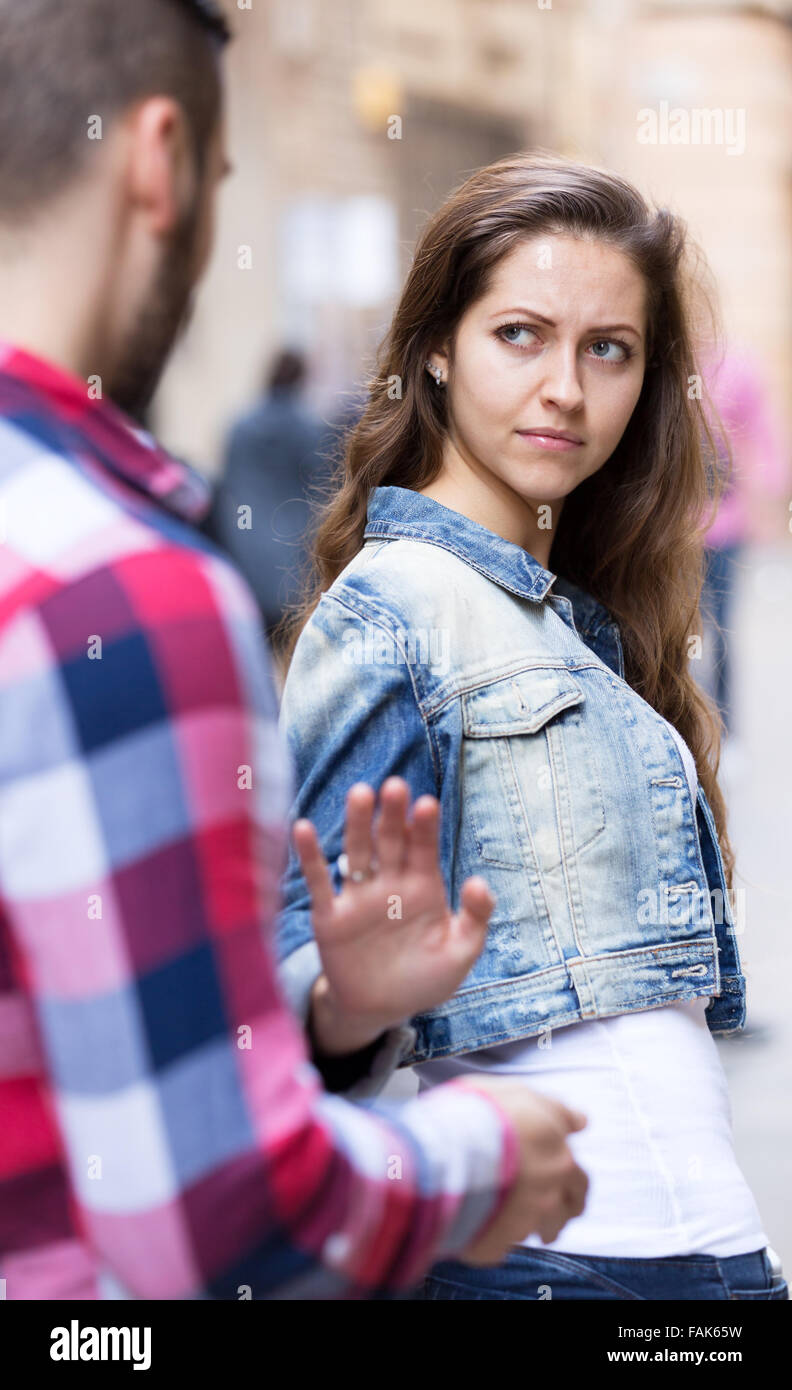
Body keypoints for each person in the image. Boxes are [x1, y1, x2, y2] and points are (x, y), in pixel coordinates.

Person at [0, 2, 588, 1300]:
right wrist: (480, 1152)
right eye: (218, 185)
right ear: (158, 161)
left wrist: (324, 1019)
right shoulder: (111, 588)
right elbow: (219, 1217)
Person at [277, 152, 789, 1301]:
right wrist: (348, 1000)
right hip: (550, 1268)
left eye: (609, 348)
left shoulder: (596, 623)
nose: (566, 385)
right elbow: (290, 981)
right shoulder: (392, 608)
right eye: (522, 334)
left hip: (707, 1266)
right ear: (439, 351)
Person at [207, 348, 333, 656]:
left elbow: (228, 490)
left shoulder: (240, 427)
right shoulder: (311, 431)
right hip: (294, 560)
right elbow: (323, 495)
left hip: (245, 554)